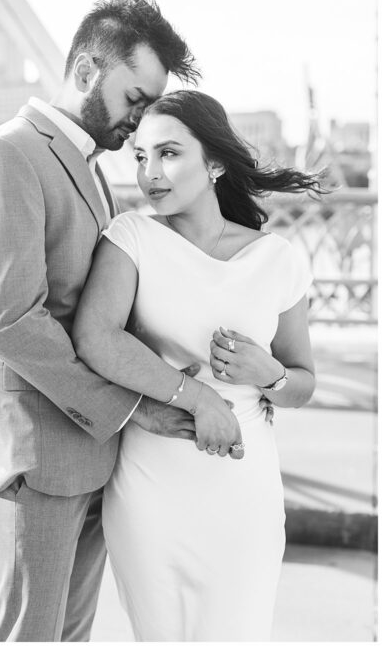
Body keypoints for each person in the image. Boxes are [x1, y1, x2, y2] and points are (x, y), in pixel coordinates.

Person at [0, 0, 231, 641]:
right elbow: (11, 321)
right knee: (29, 635)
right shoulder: (8, 155)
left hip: (85, 452)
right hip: (34, 456)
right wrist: (134, 405)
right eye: (134, 99)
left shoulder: (89, 167)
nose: (140, 123)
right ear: (85, 71)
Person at [72, 89, 322, 640]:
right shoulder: (131, 237)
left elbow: (302, 384)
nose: (150, 173)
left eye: (169, 153)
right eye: (140, 156)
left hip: (243, 489)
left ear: (213, 162)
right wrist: (197, 397)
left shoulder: (277, 259)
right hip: (149, 487)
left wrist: (268, 374)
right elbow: (94, 337)